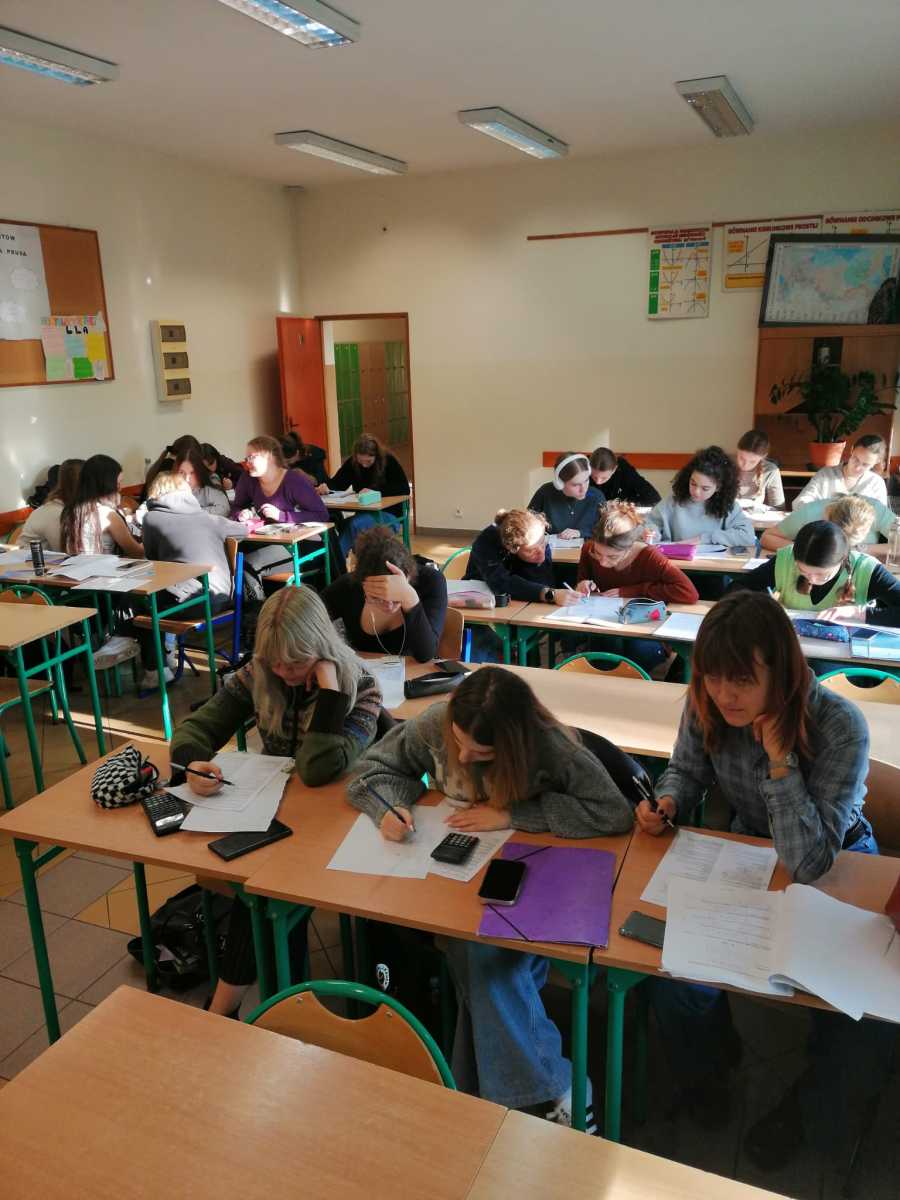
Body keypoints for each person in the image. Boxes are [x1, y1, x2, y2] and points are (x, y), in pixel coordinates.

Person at [636, 592, 890, 1169]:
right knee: (675, 978)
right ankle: (712, 1070)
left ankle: (805, 1107)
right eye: (713, 677)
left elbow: (810, 861)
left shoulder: (839, 725)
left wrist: (780, 760)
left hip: (840, 865)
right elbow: (686, 769)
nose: (724, 694)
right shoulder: (707, 701)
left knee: (851, 1016)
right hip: (748, 855)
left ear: (782, 669)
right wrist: (669, 800)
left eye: (742, 680)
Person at [347, 667, 633, 1127]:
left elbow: (613, 812)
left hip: (531, 879)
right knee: (477, 959)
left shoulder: (549, 746)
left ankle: (501, 1094)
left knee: (479, 958)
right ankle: (533, 1092)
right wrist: (390, 806)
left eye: (480, 752)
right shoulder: (436, 723)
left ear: (514, 744)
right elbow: (372, 769)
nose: (462, 756)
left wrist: (515, 815)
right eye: (459, 742)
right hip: (448, 881)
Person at [169, 587, 385, 1018]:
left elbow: (318, 770)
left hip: (338, 826)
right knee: (264, 896)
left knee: (267, 896)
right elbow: (198, 727)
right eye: (275, 663)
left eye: (296, 663)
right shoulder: (260, 672)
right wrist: (192, 762)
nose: (284, 673)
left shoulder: (361, 687)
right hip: (273, 815)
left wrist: (330, 694)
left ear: (321, 649)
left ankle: (232, 1009)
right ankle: (272, 1007)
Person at [139, 472, 248, 687]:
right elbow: (243, 530)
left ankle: (155, 668)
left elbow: (153, 560)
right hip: (221, 597)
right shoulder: (207, 518)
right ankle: (162, 650)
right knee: (150, 600)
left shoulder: (151, 519)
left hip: (189, 600)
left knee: (139, 602)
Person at [575, 502, 699, 673]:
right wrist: (583, 585)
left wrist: (634, 590)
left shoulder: (649, 556)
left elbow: (689, 593)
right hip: (604, 620)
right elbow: (582, 581)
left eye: (612, 557)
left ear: (630, 547)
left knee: (636, 652)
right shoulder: (589, 548)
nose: (603, 562)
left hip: (643, 623)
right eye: (598, 554)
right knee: (604, 646)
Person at [730, 519, 900, 623]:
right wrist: (762, 606)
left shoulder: (866, 569)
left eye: (821, 574)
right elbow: (736, 588)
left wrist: (858, 613)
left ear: (842, 559)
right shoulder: (786, 559)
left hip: (843, 656)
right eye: (802, 571)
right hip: (794, 646)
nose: (811, 579)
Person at [322, 526, 447, 662]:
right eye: (377, 597)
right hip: (362, 672)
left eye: (396, 596)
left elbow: (426, 654)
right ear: (362, 583)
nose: (389, 605)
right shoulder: (348, 586)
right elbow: (309, 617)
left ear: (408, 577)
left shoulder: (431, 581)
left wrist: (409, 598)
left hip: (413, 672)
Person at [464, 509, 582, 606]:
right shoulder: (485, 543)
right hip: (480, 599)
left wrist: (578, 585)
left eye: (543, 542)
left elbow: (545, 582)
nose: (541, 554)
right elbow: (501, 582)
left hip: (518, 600)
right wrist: (549, 594)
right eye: (531, 550)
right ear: (512, 548)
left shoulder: (536, 535)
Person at [646, 446, 755, 548]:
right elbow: (649, 524)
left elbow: (748, 536)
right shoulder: (674, 500)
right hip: (676, 559)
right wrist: (652, 532)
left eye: (705, 488)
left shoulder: (728, 505)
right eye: (693, 483)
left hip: (712, 562)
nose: (696, 492)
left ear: (718, 487)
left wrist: (706, 538)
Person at [327, 433, 411, 555]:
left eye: (368, 462)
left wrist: (375, 491)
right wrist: (326, 487)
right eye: (360, 461)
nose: (364, 465)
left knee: (354, 525)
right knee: (343, 524)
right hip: (364, 511)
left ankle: (335, 561)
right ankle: (346, 560)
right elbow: (338, 483)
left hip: (389, 513)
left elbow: (403, 488)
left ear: (376, 456)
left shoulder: (389, 461)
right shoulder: (353, 463)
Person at [60, 454, 144, 557]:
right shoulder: (107, 515)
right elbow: (137, 553)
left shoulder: (69, 510)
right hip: (103, 566)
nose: (120, 488)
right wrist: (151, 538)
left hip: (75, 565)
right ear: (107, 484)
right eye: (118, 483)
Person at [761, 494, 892, 552]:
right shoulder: (810, 512)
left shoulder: (876, 510)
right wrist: (809, 549)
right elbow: (767, 537)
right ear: (827, 515)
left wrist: (861, 549)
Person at [792, 434, 889, 509]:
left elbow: (881, 516)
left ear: (876, 462)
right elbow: (799, 502)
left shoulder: (876, 483)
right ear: (852, 450)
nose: (858, 467)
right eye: (856, 459)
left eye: (865, 464)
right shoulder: (825, 474)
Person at [527, 453, 603, 540]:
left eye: (586, 480)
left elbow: (606, 532)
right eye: (575, 485)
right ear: (560, 484)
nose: (584, 489)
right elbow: (527, 525)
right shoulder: (545, 492)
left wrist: (581, 533)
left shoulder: (597, 496)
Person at [20, 458, 83, 551]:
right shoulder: (56, 512)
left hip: (49, 559)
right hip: (27, 560)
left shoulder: (64, 507)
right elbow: (70, 552)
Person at [588, 448, 660, 506]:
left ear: (614, 469)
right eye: (594, 476)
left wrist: (622, 503)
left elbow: (654, 499)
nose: (598, 482)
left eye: (604, 478)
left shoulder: (624, 470)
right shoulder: (583, 468)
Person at [734, 430, 784, 508]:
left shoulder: (770, 470)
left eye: (752, 462)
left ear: (763, 457)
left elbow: (779, 508)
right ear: (737, 449)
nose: (745, 465)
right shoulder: (725, 464)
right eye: (741, 458)